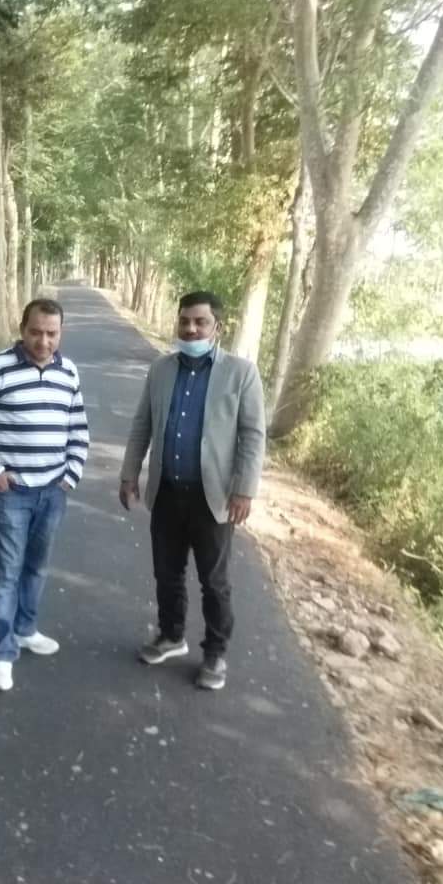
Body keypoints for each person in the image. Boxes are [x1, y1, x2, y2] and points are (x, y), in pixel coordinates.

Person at [118, 290, 265, 691]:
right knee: (167, 572)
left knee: (213, 580)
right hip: (167, 490)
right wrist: (129, 474)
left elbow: (253, 435)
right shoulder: (161, 369)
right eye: (185, 321)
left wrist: (244, 490)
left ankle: (215, 652)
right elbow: (143, 424)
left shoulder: (241, 373)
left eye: (200, 322)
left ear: (218, 327)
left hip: (212, 497)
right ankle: (171, 635)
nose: (191, 329)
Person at [0, 298, 90, 692]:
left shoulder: (68, 372)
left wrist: (70, 475)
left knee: (37, 566)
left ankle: (25, 628)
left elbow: (78, 427)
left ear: (61, 333)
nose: (43, 341)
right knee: (7, 571)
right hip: (11, 493)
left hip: (53, 491)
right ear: (22, 329)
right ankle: (0, 653)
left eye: (52, 333)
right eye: (36, 332)